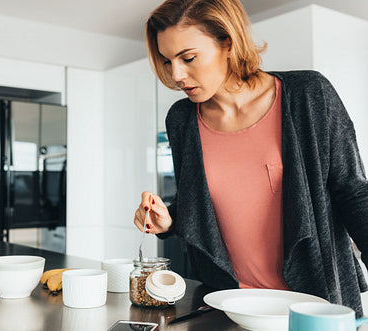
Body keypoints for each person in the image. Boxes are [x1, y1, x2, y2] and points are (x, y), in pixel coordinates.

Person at [133, 0, 368, 316]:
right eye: (166, 61)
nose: (176, 74)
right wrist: (168, 220)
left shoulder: (309, 94)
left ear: (227, 43)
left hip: (314, 303)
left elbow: (353, 192)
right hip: (228, 304)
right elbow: (200, 206)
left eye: (188, 58)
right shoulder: (181, 120)